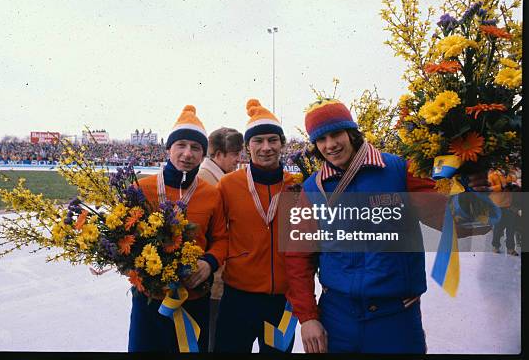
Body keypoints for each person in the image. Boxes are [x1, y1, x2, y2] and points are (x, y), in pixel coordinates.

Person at [284, 98, 491, 354]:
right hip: (337, 319)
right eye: (321, 139)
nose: (330, 145)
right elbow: (297, 258)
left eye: (336, 133)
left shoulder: (398, 171)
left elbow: (451, 221)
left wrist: (479, 198)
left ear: (351, 132)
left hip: (394, 318)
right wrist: (308, 317)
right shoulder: (311, 188)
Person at [127, 105, 228, 352]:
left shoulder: (211, 194)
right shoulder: (142, 188)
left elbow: (222, 240)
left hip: (194, 298)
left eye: (195, 148)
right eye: (181, 145)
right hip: (149, 301)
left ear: (203, 153)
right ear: (168, 148)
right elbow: (125, 238)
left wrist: (209, 263)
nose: (187, 153)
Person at [214, 99, 296, 353]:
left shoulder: (297, 185)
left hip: (282, 301)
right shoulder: (228, 185)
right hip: (238, 298)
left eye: (273, 140)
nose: (266, 147)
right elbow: (215, 234)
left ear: (282, 143)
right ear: (247, 146)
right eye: (257, 141)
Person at [197, 127, 244, 352]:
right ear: (218, 154)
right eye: (235, 153)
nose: (238, 159)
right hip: (214, 279)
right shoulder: (208, 180)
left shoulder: (217, 176)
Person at [489, 168, 520, 256]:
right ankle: (496, 246)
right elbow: (489, 188)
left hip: (510, 206)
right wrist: (501, 186)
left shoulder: (511, 175)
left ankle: (510, 249)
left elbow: (516, 185)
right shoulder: (492, 175)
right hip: (498, 206)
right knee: (498, 228)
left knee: (511, 228)